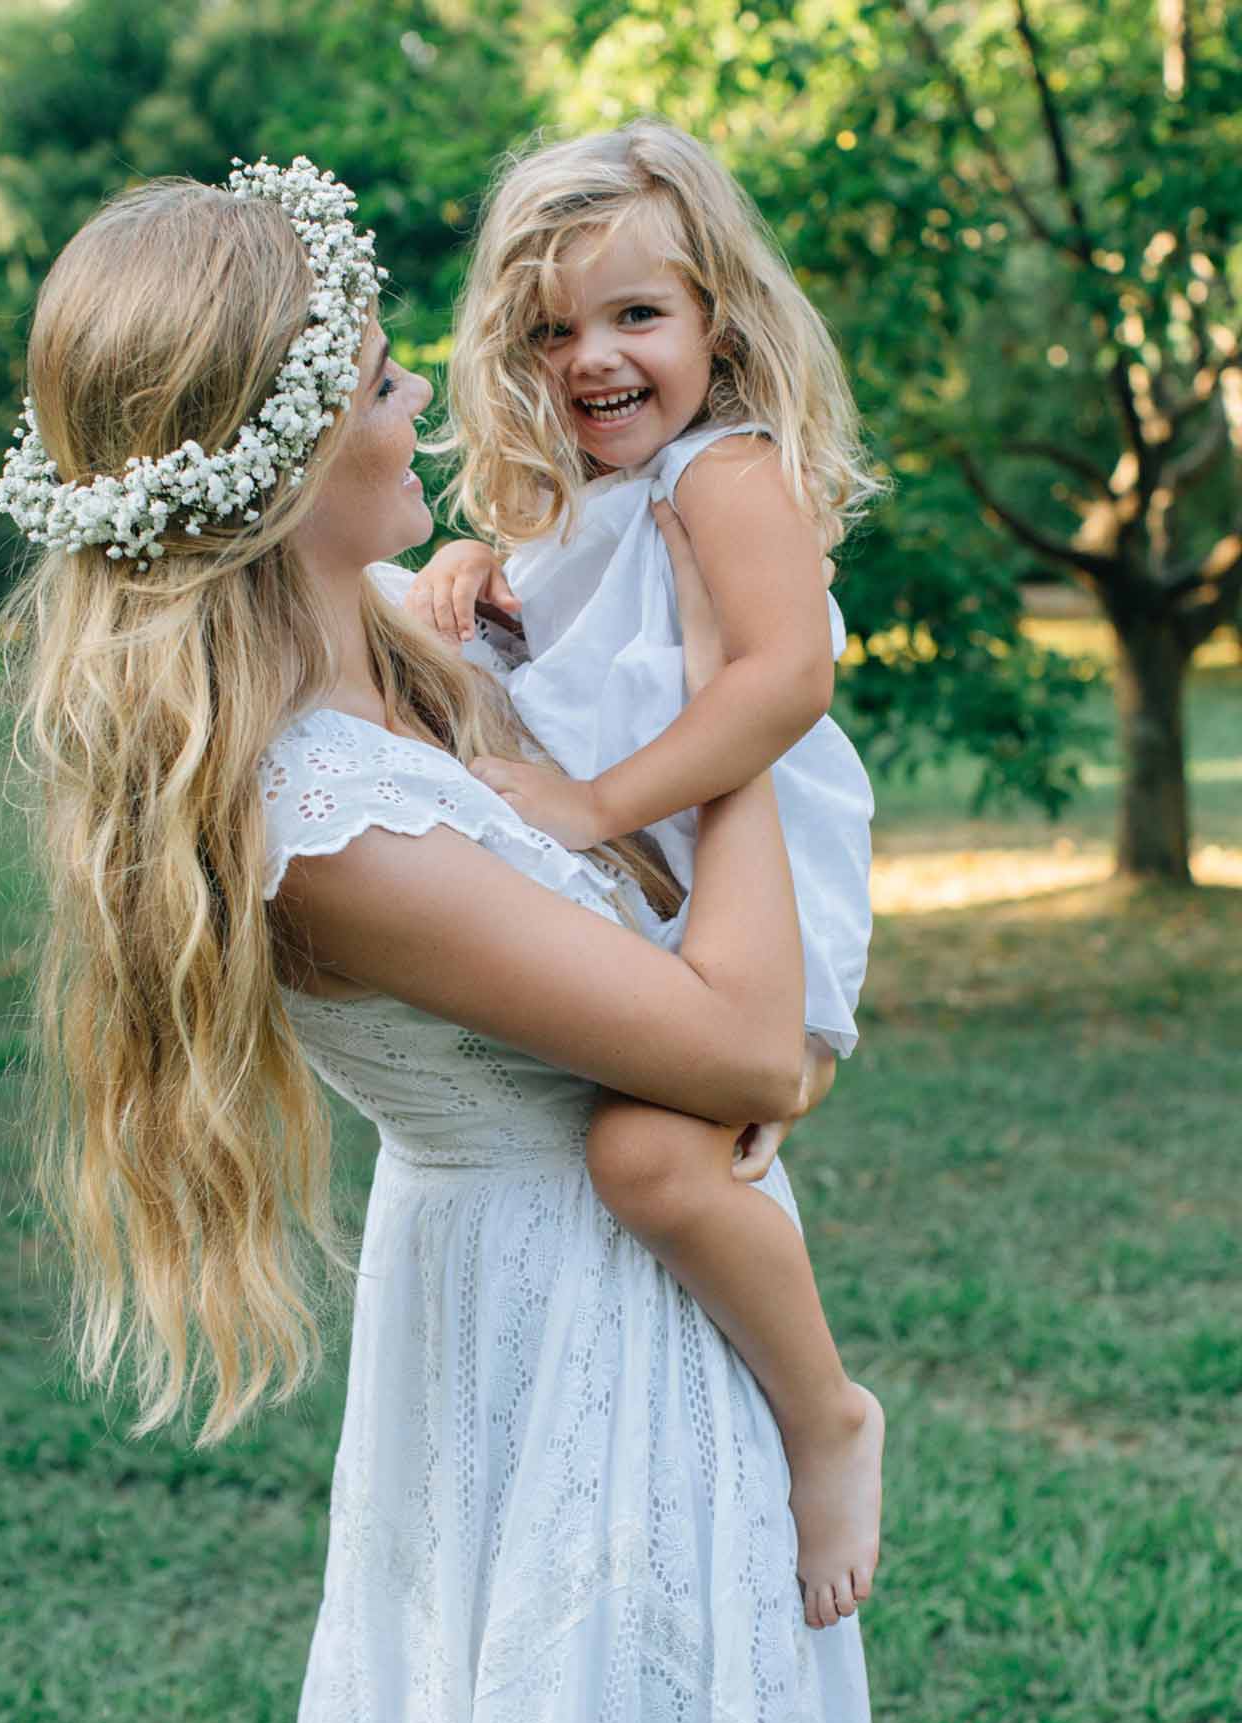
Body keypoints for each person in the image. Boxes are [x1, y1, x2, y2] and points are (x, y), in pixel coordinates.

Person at [0, 155, 877, 1723]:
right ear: (295, 450)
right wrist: (743, 689)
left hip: (649, 1275)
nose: (429, 403)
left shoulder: (405, 631)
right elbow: (743, 1052)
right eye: (391, 379)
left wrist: (686, 658)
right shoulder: (322, 819)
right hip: (573, 1334)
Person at [397, 119, 884, 1623]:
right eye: (551, 331)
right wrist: (479, 575)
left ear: (716, 320)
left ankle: (828, 1415)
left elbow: (785, 677)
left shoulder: (728, 473)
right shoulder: (586, 507)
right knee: (628, 1141)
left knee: (648, 1159)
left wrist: (596, 802)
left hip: (761, 891)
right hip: (654, 896)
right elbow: (565, 649)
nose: (592, 358)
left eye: (635, 316)